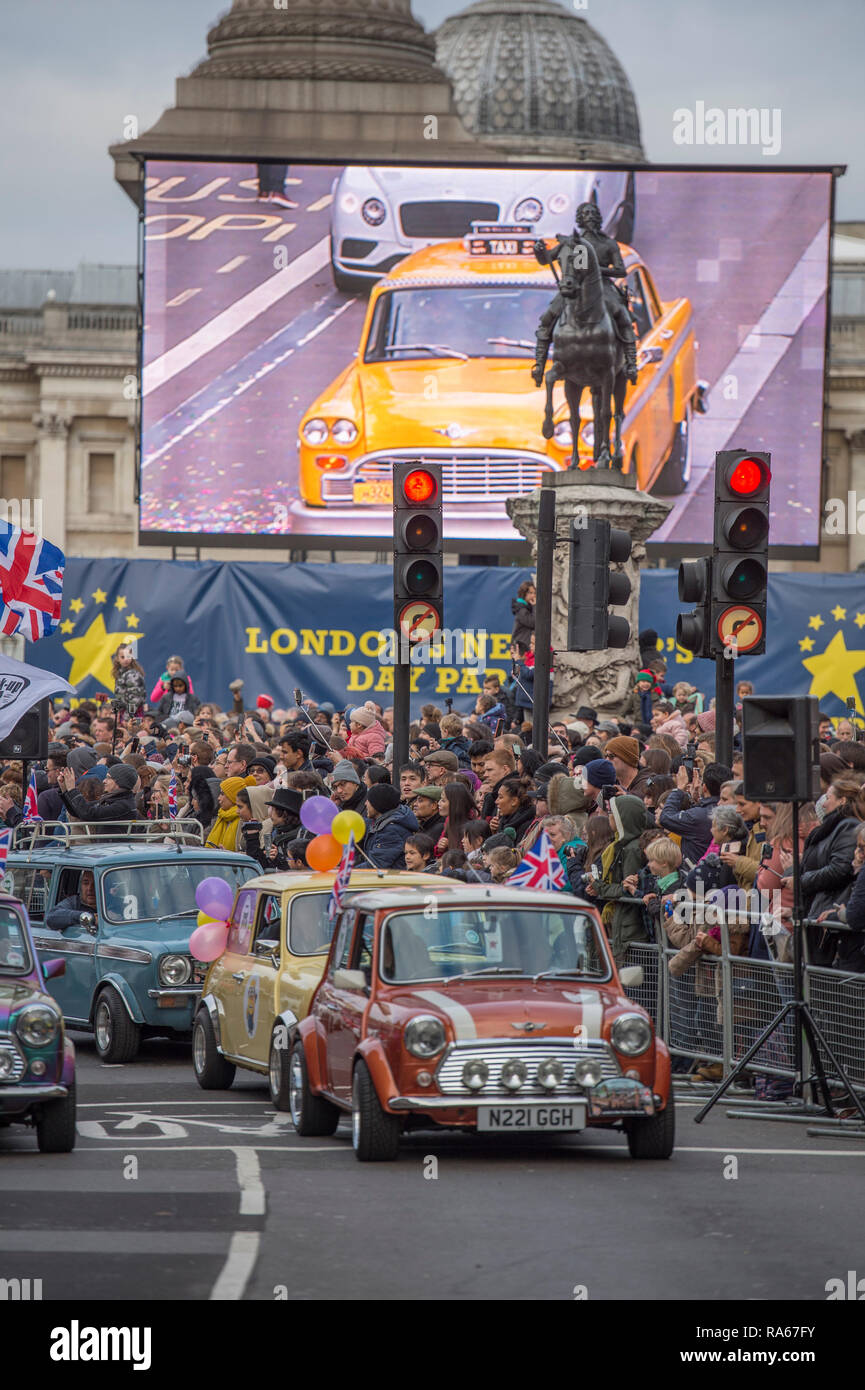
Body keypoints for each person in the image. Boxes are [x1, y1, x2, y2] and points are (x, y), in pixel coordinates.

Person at [532, 201, 639, 387]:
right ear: (580, 219)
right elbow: (547, 260)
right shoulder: (570, 243)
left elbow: (620, 271)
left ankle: (630, 364)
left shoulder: (608, 244)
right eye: (585, 214)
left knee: (623, 317)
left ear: (597, 218)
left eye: (592, 213)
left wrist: (596, 270)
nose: (589, 217)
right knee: (548, 318)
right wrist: (540, 252)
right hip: (573, 289)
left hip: (603, 288)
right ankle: (539, 365)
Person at [582, 795, 650, 962]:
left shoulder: (632, 849)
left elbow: (627, 888)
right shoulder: (621, 846)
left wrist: (598, 886)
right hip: (621, 923)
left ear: (623, 818)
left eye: (612, 813)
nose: (608, 816)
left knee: (630, 981)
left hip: (630, 927)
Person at [658, 761, 732, 868]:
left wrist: (679, 789)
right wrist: (696, 801)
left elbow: (665, 818)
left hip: (698, 878)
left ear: (705, 787)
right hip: (714, 875)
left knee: (699, 885)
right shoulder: (728, 810)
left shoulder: (698, 816)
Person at [57, 763, 139, 831]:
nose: (104, 781)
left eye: (108, 778)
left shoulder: (123, 805)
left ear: (120, 782)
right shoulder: (112, 799)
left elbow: (87, 813)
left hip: (115, 849)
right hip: (108, 849)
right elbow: (77, 812)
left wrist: (72, 789)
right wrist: (65, 790)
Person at [364, 784, 418, 870]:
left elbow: (374, 866)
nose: (365, 803)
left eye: (369, 800)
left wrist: (344, 873)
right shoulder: (381, 824)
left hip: (391, 881)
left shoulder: (391, 831)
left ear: (378, 804)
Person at [113, 645, 147, 719]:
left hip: (134, 715)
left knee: (133, 730)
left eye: (128, 656)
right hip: (124, 712)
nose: (126, 659)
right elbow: (120, 697)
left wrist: (127, 716)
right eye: (122, 657)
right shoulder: (120, 673)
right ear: (117, 659)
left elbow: (136, 699)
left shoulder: (133, 675)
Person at [511, 579, 535, 653]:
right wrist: (535, 606)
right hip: (521, 650)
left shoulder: (527, 608)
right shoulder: (521, 609)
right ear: (523, 593)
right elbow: (533, 622)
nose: (533, 595)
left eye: (534, 593)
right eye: (530, 593)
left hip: (525, 648)